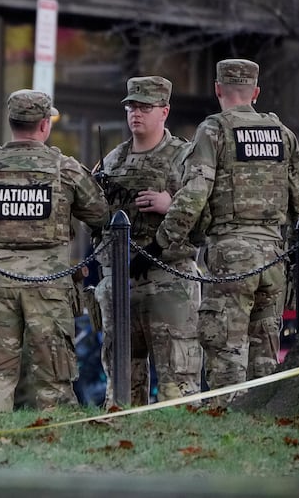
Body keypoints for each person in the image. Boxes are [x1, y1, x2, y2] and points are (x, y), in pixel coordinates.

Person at [145, 59, 299, 407]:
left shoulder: (214, 129)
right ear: (255, 92)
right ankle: (262, 430)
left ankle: (224, 428)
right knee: (266, 359)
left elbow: (194, 194)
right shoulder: (282, 134)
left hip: (231, 256)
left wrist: (162, 241)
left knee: (226, 356)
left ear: (218, 89)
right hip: (274, 257)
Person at [0, 89, 109, 413]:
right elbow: (101, 213)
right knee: (53, 380)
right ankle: (52, 452)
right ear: (44, 125)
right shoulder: (65, 168)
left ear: (11, 123)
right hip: (48, 288)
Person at [93, 76, 203, 406]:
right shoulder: (112, 160)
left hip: (168, 280)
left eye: (144, 107)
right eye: (131, 107)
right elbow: (95, 221)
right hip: (122, 282)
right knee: (122, 381)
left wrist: (171, 205)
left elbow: (206, 217)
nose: (135, 114)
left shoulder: (184, 157)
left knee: (177, 382)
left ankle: (183, 448)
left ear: (164, 111)